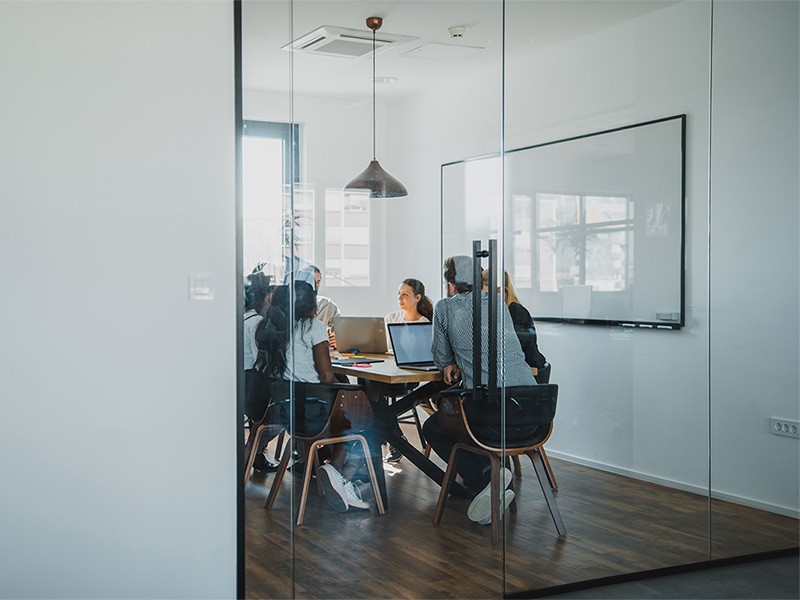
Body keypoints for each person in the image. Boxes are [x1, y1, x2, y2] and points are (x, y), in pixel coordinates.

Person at [255, 281, 395, 513]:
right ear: (311, 304)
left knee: (357, 411)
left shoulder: (269, 328)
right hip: (316, 414)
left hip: (288, 413)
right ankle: (341, 473)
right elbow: (327, 376)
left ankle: (334, 470)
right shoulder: (313, 327)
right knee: (382, 415)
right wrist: (349, 391)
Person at [423, 255, 537, 525]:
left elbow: (440, 359)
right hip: (532, 412)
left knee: (434, 428)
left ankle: (486, 478)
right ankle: (492, 478)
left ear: (451, 285)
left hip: (494, 415)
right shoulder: (499, 303)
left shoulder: (444, 308)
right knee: (464, 418)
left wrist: (451, 363)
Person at [382, 278, 434, 463]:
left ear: (417, 297)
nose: (400, 298)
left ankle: (394, 440)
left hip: (408, 376)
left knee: (374, 397)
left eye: (405, 294)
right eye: (399, 294)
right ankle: (396, 438)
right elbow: (385, 349)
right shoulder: (391, 318)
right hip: (387, 373)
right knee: (369, 390)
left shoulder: (424, 323)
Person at [243, 270, 278, 472]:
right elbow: (262, 361)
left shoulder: (241, 319)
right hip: (255, 388)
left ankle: (255, 452)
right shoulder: (256, 323)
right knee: (288, 411)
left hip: (244, 385)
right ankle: (253, 450)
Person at [482, 270, 547, 371]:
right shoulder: (493, 312)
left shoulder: (516, 311)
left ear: (501, 292)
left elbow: (514, 348)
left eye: (487, 295)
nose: (484, 300)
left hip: (529, 368)